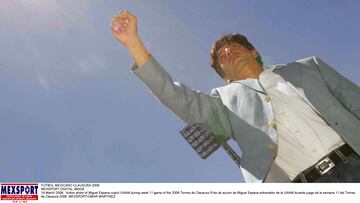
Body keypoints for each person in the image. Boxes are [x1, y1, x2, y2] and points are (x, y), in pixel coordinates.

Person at [110, 11, 360, 183]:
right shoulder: (223, 102)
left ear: (254, 52)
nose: (227, 51)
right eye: (221, 55)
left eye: (234, 46)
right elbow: (174, 96)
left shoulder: (308, 66)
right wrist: (133, 43)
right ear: (224, 76)